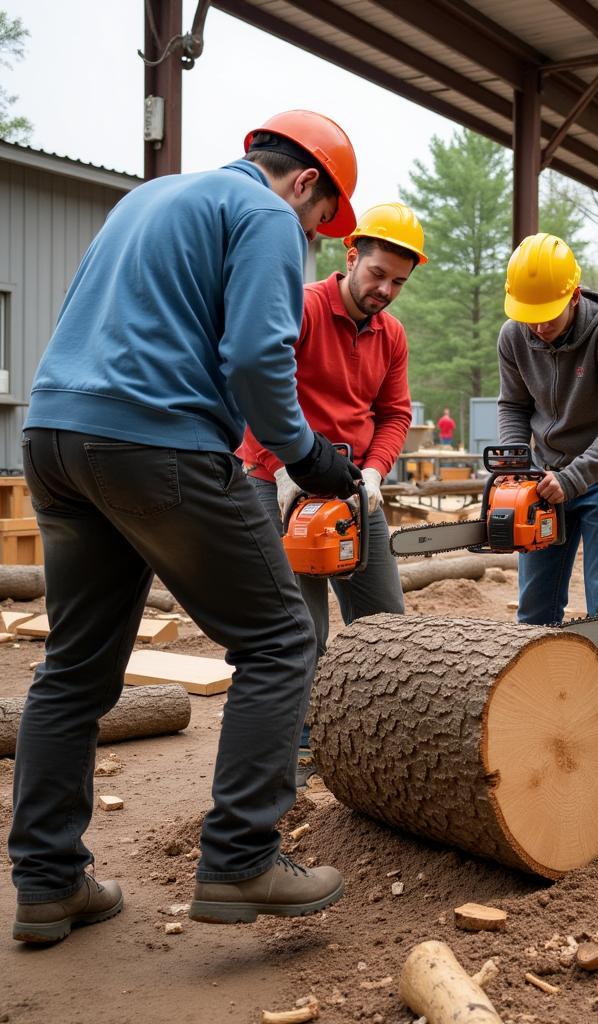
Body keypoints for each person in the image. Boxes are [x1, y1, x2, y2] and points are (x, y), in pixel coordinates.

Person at [9, 110, 363, 944]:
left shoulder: (150, 199)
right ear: (307, 183)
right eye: (322, 223)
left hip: (54, 435)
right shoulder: (269, 215)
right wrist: (307, 455)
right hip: (153, 441)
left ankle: (49, 883)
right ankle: (242, 859)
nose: (313, 235)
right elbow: (252, 356)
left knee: (74, 668)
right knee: (279, 639)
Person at [238, 200, 420, 681]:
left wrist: (376, 472)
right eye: (378, 274)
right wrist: (280, 467)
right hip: (280, 480)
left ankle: (376, 728)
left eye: (398, 282)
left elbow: (395, 413)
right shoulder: (300, 307)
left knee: (386, 626)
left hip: (352, 484)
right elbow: (254, 389)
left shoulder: (392, 335)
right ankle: (301, 738)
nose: (385, 290)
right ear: (351, 255)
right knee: (300, 629)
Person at [497, 232, 598, 691]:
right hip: (547, 474)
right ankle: (539, 711)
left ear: (574, 296)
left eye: (546, 318)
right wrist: (514, 466)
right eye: (529, 318)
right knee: (535, 607)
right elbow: (512, 406)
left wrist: (577, 475)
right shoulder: (514, 335)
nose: (538, 328)